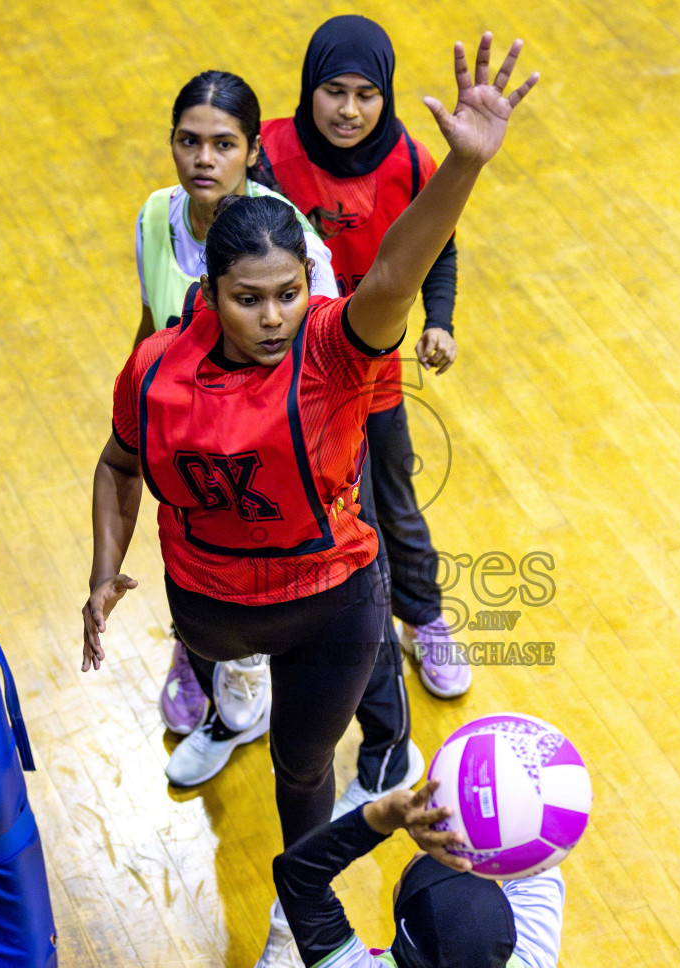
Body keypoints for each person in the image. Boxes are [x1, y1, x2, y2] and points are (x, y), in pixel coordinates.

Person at [83, 32, 538, 968]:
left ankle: (298, 928)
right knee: (226, 680)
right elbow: (119, 463)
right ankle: (228, 701)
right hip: (209, 607)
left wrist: (463, 163)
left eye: (291, 293)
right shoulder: (155, 363)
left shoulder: (331, 351)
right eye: (251, 299)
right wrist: (101, 571)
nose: (276, 314)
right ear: (210, 295)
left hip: (328, 607)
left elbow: (394, 277)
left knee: (303, 775)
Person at [134, 69, 342, 783]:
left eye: (223, 143)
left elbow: (328, 364)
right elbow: (151, 323)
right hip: (197, 447)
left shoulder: (296, 245)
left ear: (252, 152)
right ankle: (214, 673)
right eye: (189, 141)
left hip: (281, 460)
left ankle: (366, 728)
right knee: (198, 576)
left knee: (316, 604)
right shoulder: (153, 218)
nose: (204, 159)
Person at [259, 15, 472, 701]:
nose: (349, 110)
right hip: (293, 383)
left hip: (373, 376)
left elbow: (438, 247)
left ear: (386, 96)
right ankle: (285, 643)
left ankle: (424, 619)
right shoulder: (267, 156)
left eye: (366, 94)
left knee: (396, 507)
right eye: (333, 91)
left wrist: (438, 321)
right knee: (310, 518)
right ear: (307, 88)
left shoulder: (411, 162)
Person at [273, 780, 565, 968]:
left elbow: (297, 878)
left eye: (409, 870)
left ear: (407, 928)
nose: (419, 852)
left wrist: (383, 815)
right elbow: (537, 846)